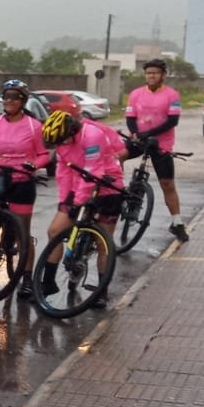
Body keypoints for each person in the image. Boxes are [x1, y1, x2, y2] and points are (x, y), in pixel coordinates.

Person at [0, 79, 51, 298]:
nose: (8, 101)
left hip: (21, 181)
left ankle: (27, 279)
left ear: (23, 101)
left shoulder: (34, 126)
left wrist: (34, 165)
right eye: (5, 97)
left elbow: (44, 155)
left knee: (23, 231)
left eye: (14, 97)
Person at [39, 109, 125, 303]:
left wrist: (78, 202)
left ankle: (101, 292)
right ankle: (47, 283)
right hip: (79, 185)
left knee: (103, 243)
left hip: (107, 187)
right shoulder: (62, 141)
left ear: (72, 130)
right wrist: (66, 201)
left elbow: (93, 172)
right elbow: (63, 172)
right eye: (57, 143)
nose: (61, 145)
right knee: (54, 231)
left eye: (63, 140)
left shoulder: (92, 135)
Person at [125, 58, 188, 242]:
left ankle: (177, 223)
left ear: (163, 75)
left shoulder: (172, 95)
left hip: (161, 144)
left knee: (167, 184)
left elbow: (172, 121)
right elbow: (130, 118)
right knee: (117, 156)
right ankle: (116, 192)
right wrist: (136, 133)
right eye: (148, 73)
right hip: (139, 139)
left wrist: (149, 133)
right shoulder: (136, 94)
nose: (151, 76)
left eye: (155, 73)